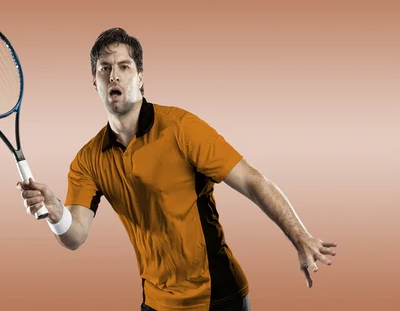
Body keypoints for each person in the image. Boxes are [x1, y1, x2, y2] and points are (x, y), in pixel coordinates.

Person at [17, 28, 337, 311]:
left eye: (124, 67)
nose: (114, 75)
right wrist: (56, 212)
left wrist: (299, 236)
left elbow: (253, 181)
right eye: (105, 69)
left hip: (218, 298)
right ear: (94, 81)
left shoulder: (181, 128)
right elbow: (76, 236)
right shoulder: (88, 160)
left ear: (140, 77)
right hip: (157, 304)